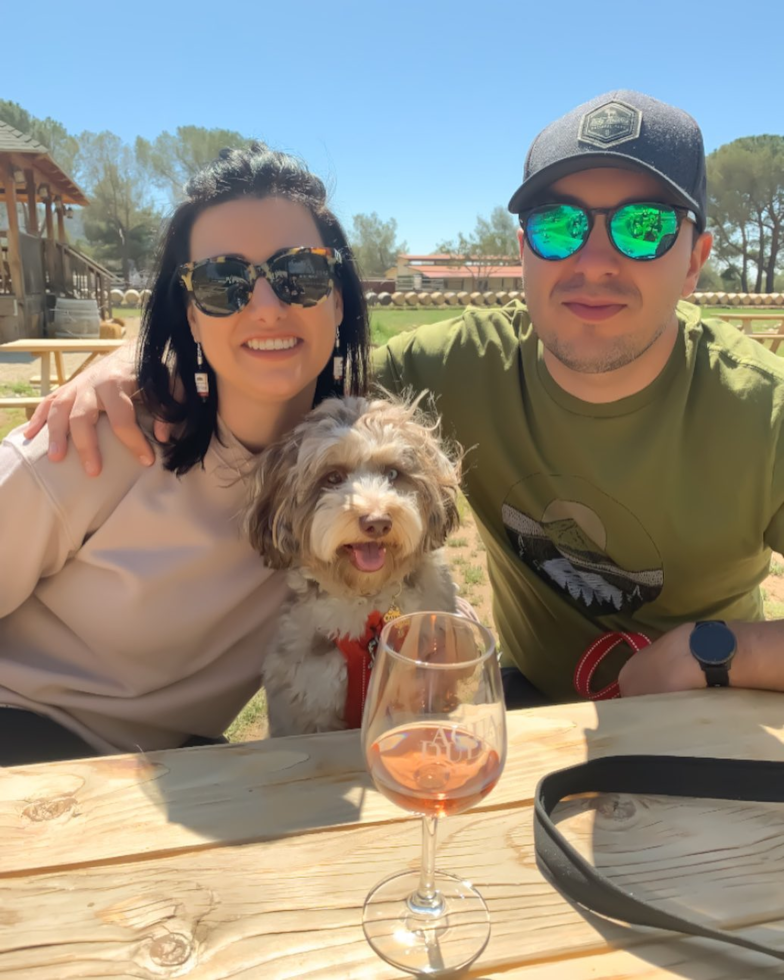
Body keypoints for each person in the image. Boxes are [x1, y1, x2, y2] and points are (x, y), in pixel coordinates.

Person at [28, 90, 784, 708]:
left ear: (696, 260)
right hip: (523, 705)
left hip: (710, 708)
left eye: (644, 228)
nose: (594, 261)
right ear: (524, 249)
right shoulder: (453, 367)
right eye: (558, 226)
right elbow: (283, 356)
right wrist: (136, 359)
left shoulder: (764, 412)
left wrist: (710, 652)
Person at [0, 143, 370, 764]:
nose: (267, 306)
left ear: (336, 297)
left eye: (300, 273)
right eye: (223, 282)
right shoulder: (92, 441)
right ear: (192, 316)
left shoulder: (358, 469)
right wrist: (131, 360)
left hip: (176, 771)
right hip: (24, 745)